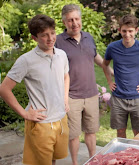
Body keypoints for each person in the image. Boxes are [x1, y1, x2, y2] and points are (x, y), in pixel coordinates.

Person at [0, 14, 70, 165]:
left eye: (52, 33)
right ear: (34, 38)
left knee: (54, 159)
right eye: (44, 35)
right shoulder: (26, 60)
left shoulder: (61, 55)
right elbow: (4, 90)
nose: (50, 38)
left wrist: (65, 98)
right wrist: (24, 113)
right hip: (41, 123)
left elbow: (65, 76)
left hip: (61, 119)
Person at [55, 4, 112, 165]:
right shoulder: (58, 41)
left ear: (81, 19)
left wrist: (110, 70)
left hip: (92, 94)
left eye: (77, 19)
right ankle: (74, 162)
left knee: (91, 131)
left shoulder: (88, 37)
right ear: (64, 23)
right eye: (70, 20)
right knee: (73, 134)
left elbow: (95, 57)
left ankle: (92, 159)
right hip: (71, 96)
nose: (74, 23)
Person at [102, 14, 139, 138]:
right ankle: (123, 156)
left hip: (137, 97)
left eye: (130, 31)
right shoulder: (112, 48)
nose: (127, 34)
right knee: (120, 131)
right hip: (118, 97)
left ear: (136, 30)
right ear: (119, 30)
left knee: (138, 133)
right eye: (124, 31)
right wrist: (110, 82)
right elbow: (104, 64)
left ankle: (137, 156)